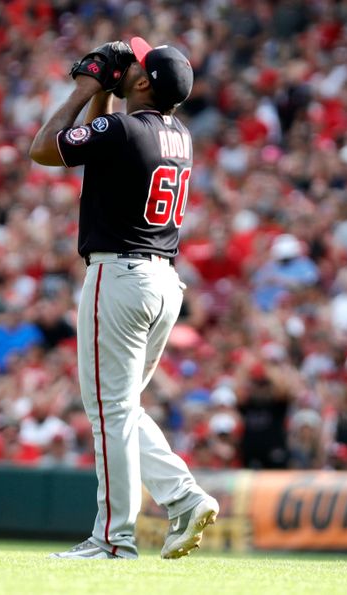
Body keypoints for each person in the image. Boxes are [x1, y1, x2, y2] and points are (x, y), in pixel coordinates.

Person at [29, 37, 218, 560]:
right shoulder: (177, 133)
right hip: (163, 283)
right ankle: (183, 496)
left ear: (140, 83)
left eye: (132, 64)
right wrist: (106, 97)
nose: (123, 65)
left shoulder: (122, 127)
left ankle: (113, 539)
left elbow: (44, 148)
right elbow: (104, 140)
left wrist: (87, 87)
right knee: (125, 409)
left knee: (110, 410)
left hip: (119, 276)